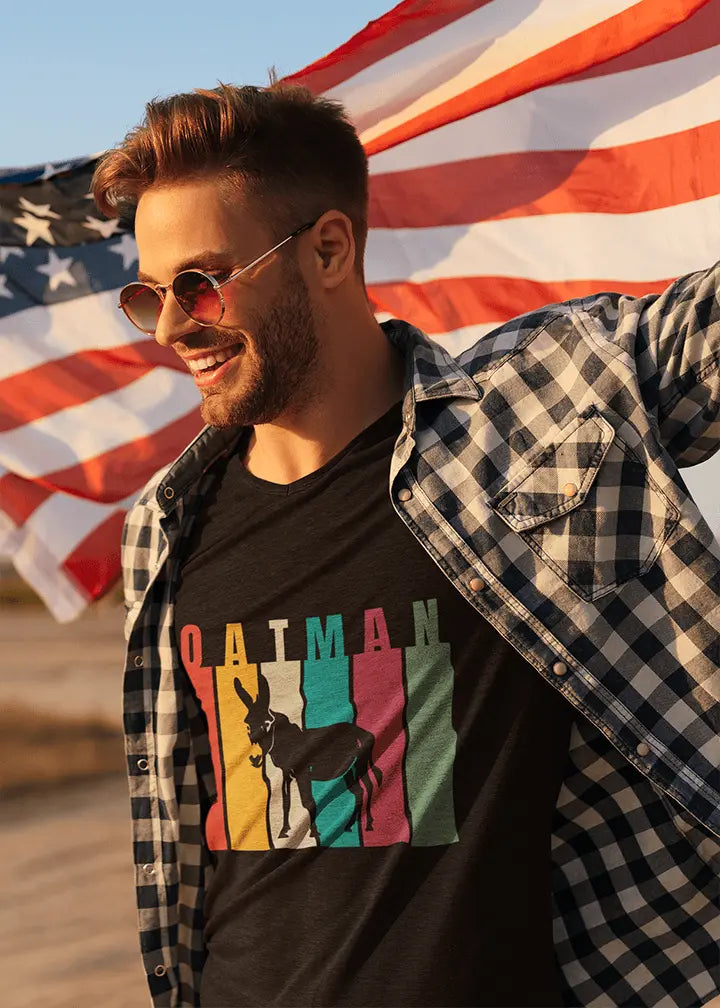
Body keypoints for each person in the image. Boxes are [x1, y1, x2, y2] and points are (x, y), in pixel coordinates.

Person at [92, 82, 720, 1008]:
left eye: (202, 282)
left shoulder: (536, 411)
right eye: (150, 295)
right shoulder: (165, 526)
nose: (177, 326)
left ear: (331, 248)